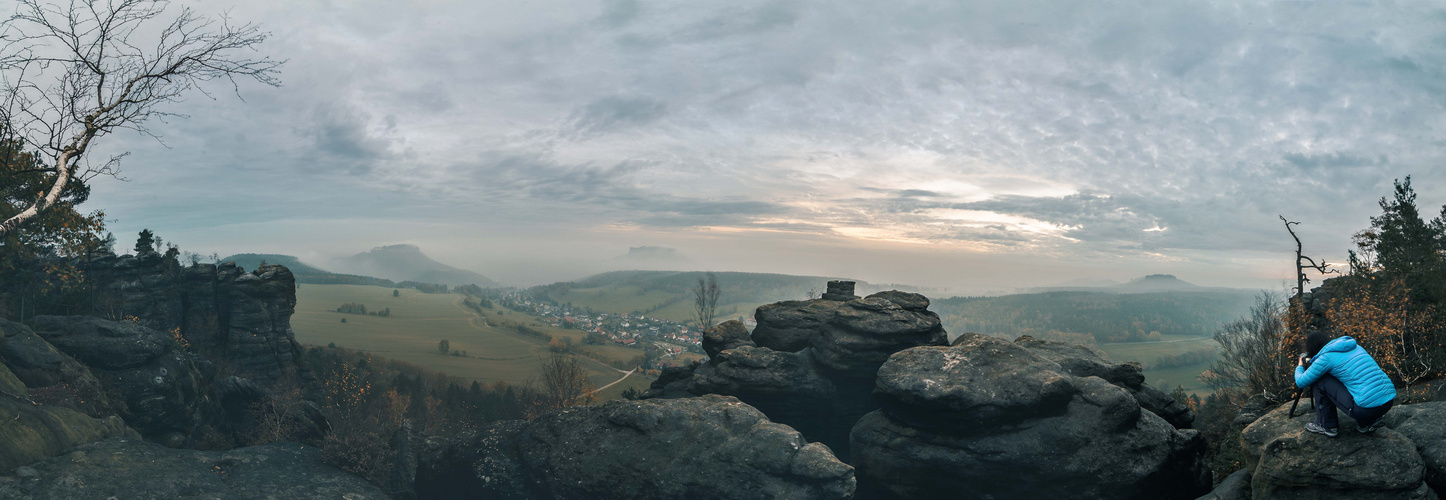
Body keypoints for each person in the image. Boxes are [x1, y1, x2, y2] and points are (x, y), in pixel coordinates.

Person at [1294, 331, 1397, 437]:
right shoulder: (1356, 347)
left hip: (1365, 409)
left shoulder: (1325, 358)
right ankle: (1367, 422)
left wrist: (1300, 366)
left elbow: (1301, 382)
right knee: (1355, 381)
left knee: (1320, 380)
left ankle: (1327, 425)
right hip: (1387, 402)